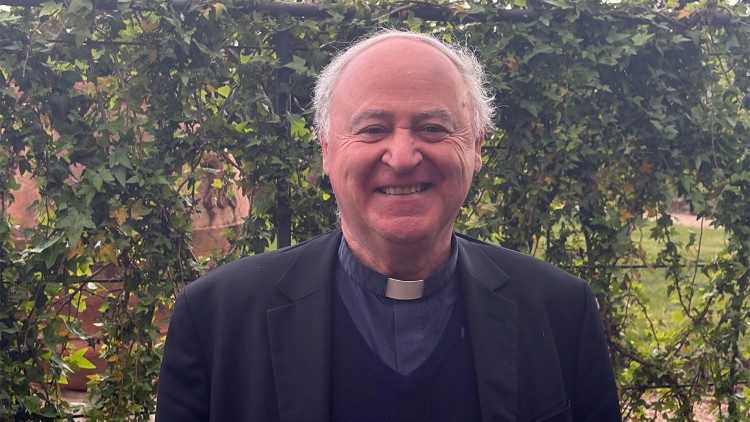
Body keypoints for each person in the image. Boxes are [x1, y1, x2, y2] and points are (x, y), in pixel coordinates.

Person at [156, 30, 621, 421]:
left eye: (434, 128)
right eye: (372, 129)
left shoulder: (561, 312)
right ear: (327, 149)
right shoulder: (216, 320)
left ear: (477, 147)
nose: (401, 157)